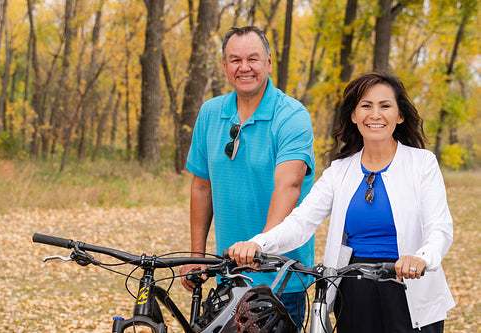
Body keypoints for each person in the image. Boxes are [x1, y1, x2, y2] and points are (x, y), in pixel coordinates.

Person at [229, 71, 455, 332]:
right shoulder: (339, 171)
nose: (375, 114)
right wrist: (258, 242)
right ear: (354, 115)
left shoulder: (422, 163)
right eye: (366, 106)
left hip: (409, 283)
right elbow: (301, 222)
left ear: (400, 115)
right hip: (353, 287)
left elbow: (440, 228)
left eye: (385, 106)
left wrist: (421, 258)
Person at [179, 26, 316, 329]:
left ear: (268, 62)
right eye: (235, 59)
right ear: (225, 66)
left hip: (281, 278)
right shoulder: (210, 113)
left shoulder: (292, 116)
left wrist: (260, 246)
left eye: (253, 59)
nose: (244, 67)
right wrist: (197, 255)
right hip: (227, 274)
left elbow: (289, 185)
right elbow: (202, 186)